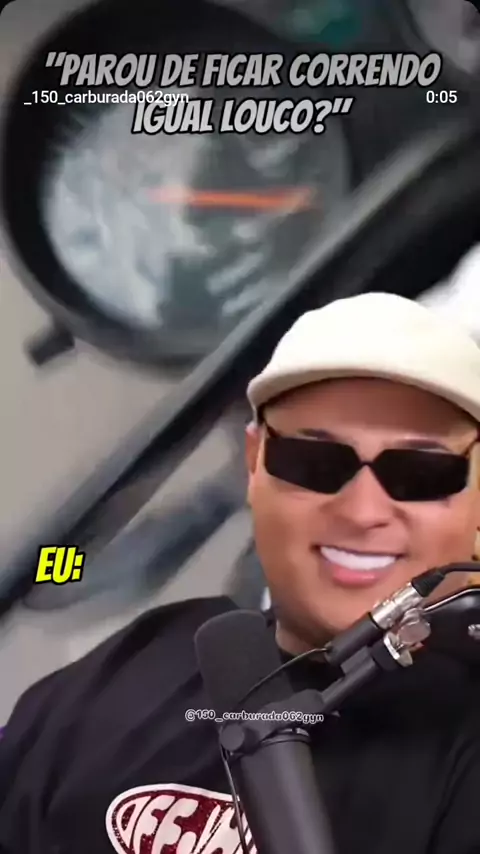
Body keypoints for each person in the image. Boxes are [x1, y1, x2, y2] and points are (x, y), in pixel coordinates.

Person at [2, 291, 480, 854]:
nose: (361, 511)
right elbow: (55, 587)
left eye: (423, 472)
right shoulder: (136, 661)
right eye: (313, 462)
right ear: (254, 465)